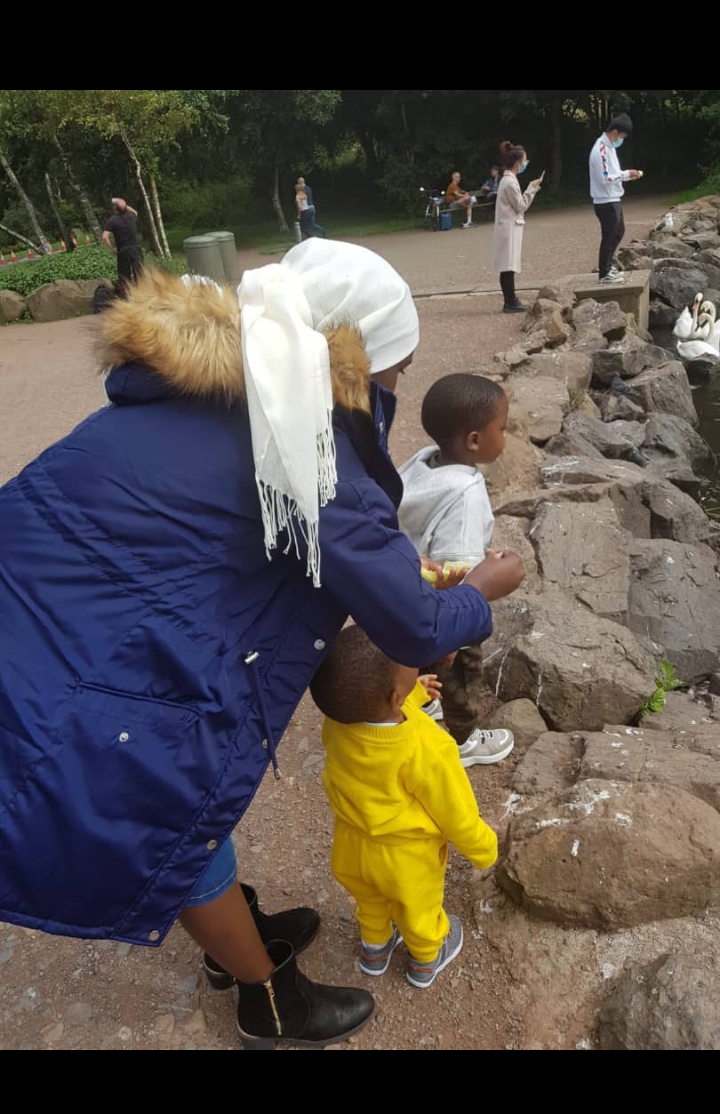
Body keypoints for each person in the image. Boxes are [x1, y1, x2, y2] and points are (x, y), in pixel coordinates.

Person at [0, 240, 524, 1050]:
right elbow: (413, 628)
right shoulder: (308, 444)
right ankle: (265, 997)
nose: (392, 389)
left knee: (169, 786)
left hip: (40, 615)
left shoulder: (194, 389)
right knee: (163, 800)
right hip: (68, 661)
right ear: (356, 364)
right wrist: (481, 589)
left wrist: (390, 575)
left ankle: (234, 929)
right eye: (394, 371)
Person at [310, 626, 498, 988]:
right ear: (396, 694)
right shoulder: (427, 747)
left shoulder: (336, 723)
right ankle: (426, 959)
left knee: (370, 900)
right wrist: (485, 849)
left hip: (352, 846)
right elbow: (456, 814)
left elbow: (373, 717)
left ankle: (374, 950)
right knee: (418, 910)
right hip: (405, 859)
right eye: (407, 663)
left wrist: (410, 694)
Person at [399, 373, 514, 763]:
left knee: (418, 656)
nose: (507, 436)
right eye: (503, 428)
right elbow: (458, 569)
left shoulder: (422, 463)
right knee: (462, 673)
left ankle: (421, 698)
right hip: (448, 608)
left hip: (409, 589)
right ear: (475, 441)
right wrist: (456, 633)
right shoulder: (465, 495)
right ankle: (464, 740)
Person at [589, 113, 642, 284]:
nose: (622, 140)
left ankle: (607, 266)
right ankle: (604, 273)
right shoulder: (600, 150)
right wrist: (626, 174)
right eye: (622, 136)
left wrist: (627, 176)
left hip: (613, 198)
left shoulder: (610, 148)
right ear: (615, 132)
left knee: (618, 232)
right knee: (609, 235)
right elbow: (605, 178)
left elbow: (613, 173)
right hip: (605, 201)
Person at [493, 142, 544, 313]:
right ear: (517, 163)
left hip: (508, 227)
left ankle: (511, 300)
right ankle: (510, 302)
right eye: (524, 161)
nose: (525, 163)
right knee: (508, 266)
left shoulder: (508, 180)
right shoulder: (509, 182)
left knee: (507, 265)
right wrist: (532, 188)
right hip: (509, 228)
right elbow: (521, 206)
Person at [102, 198, 144, 289]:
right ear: (125, 208)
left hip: (123, 250)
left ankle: (126, 293)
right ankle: (141, 291)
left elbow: (105, 237)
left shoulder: (112, 220)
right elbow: (135, 212)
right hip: (136, 249)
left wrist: (112, 249)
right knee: (139, 274)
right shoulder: (131, 216)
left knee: (124, 276)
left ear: (115, 208)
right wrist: (123, 205)